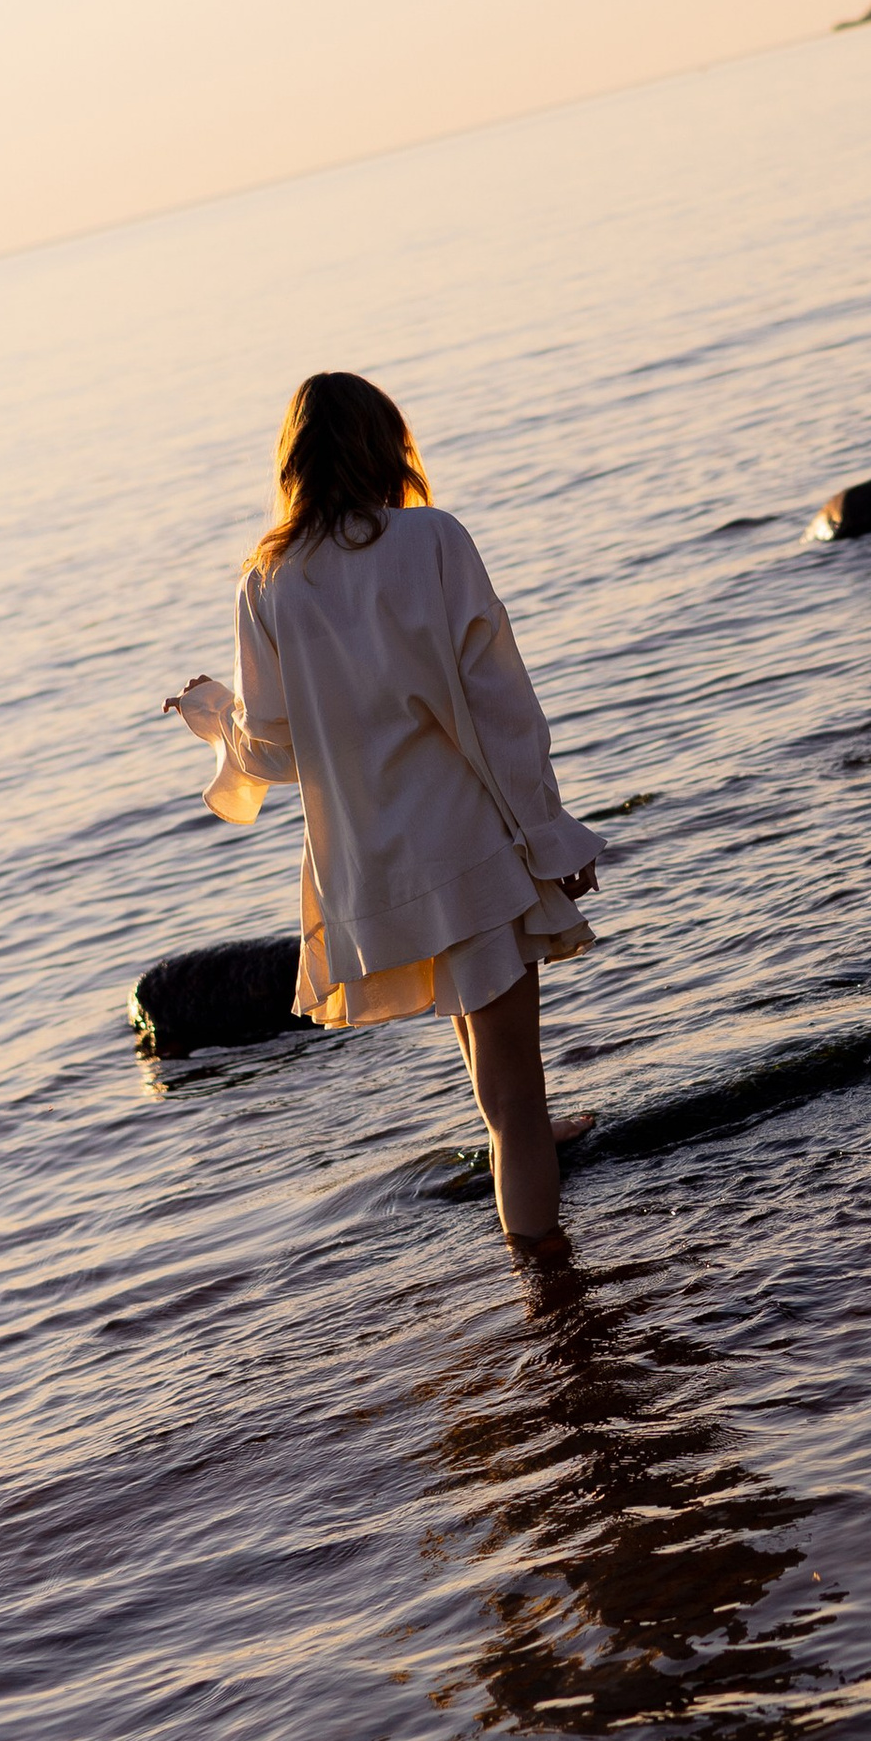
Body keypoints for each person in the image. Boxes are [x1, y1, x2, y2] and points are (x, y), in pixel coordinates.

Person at [165, 371, 605, 1242]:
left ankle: (522, 1145)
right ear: (386, 443)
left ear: (294, 461)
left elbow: (277, 750)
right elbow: (500, 705)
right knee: (516, 1100)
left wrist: (213, 716)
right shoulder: (434, 540)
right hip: (468, 845)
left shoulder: (268, 580)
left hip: (371, 871)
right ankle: (549, 1298)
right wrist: (549, 834)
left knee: (496, 1082)